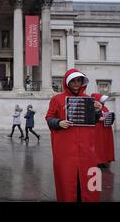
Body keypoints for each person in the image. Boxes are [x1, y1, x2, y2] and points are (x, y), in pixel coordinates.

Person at [45, 68, 103, 202]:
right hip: (65, 148)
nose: (76, 83)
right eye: (73, 81)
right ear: (67, 82)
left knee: (87, 179)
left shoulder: (89, 99)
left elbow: (93, 120)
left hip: (86, 148)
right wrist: (58, 122)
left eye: (79, 80)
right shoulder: (57, 99)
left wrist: (98, 111)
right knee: (67, 180)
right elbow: (49, 118)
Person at [91, 93, 115, 169]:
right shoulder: (91, 108)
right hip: (97, 130)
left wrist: (111, 117)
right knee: (98, 145)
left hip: (106, 129)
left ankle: (104, 159)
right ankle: (97, 161)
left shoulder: (104, 107)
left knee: (104, 145)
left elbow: (107, 115)